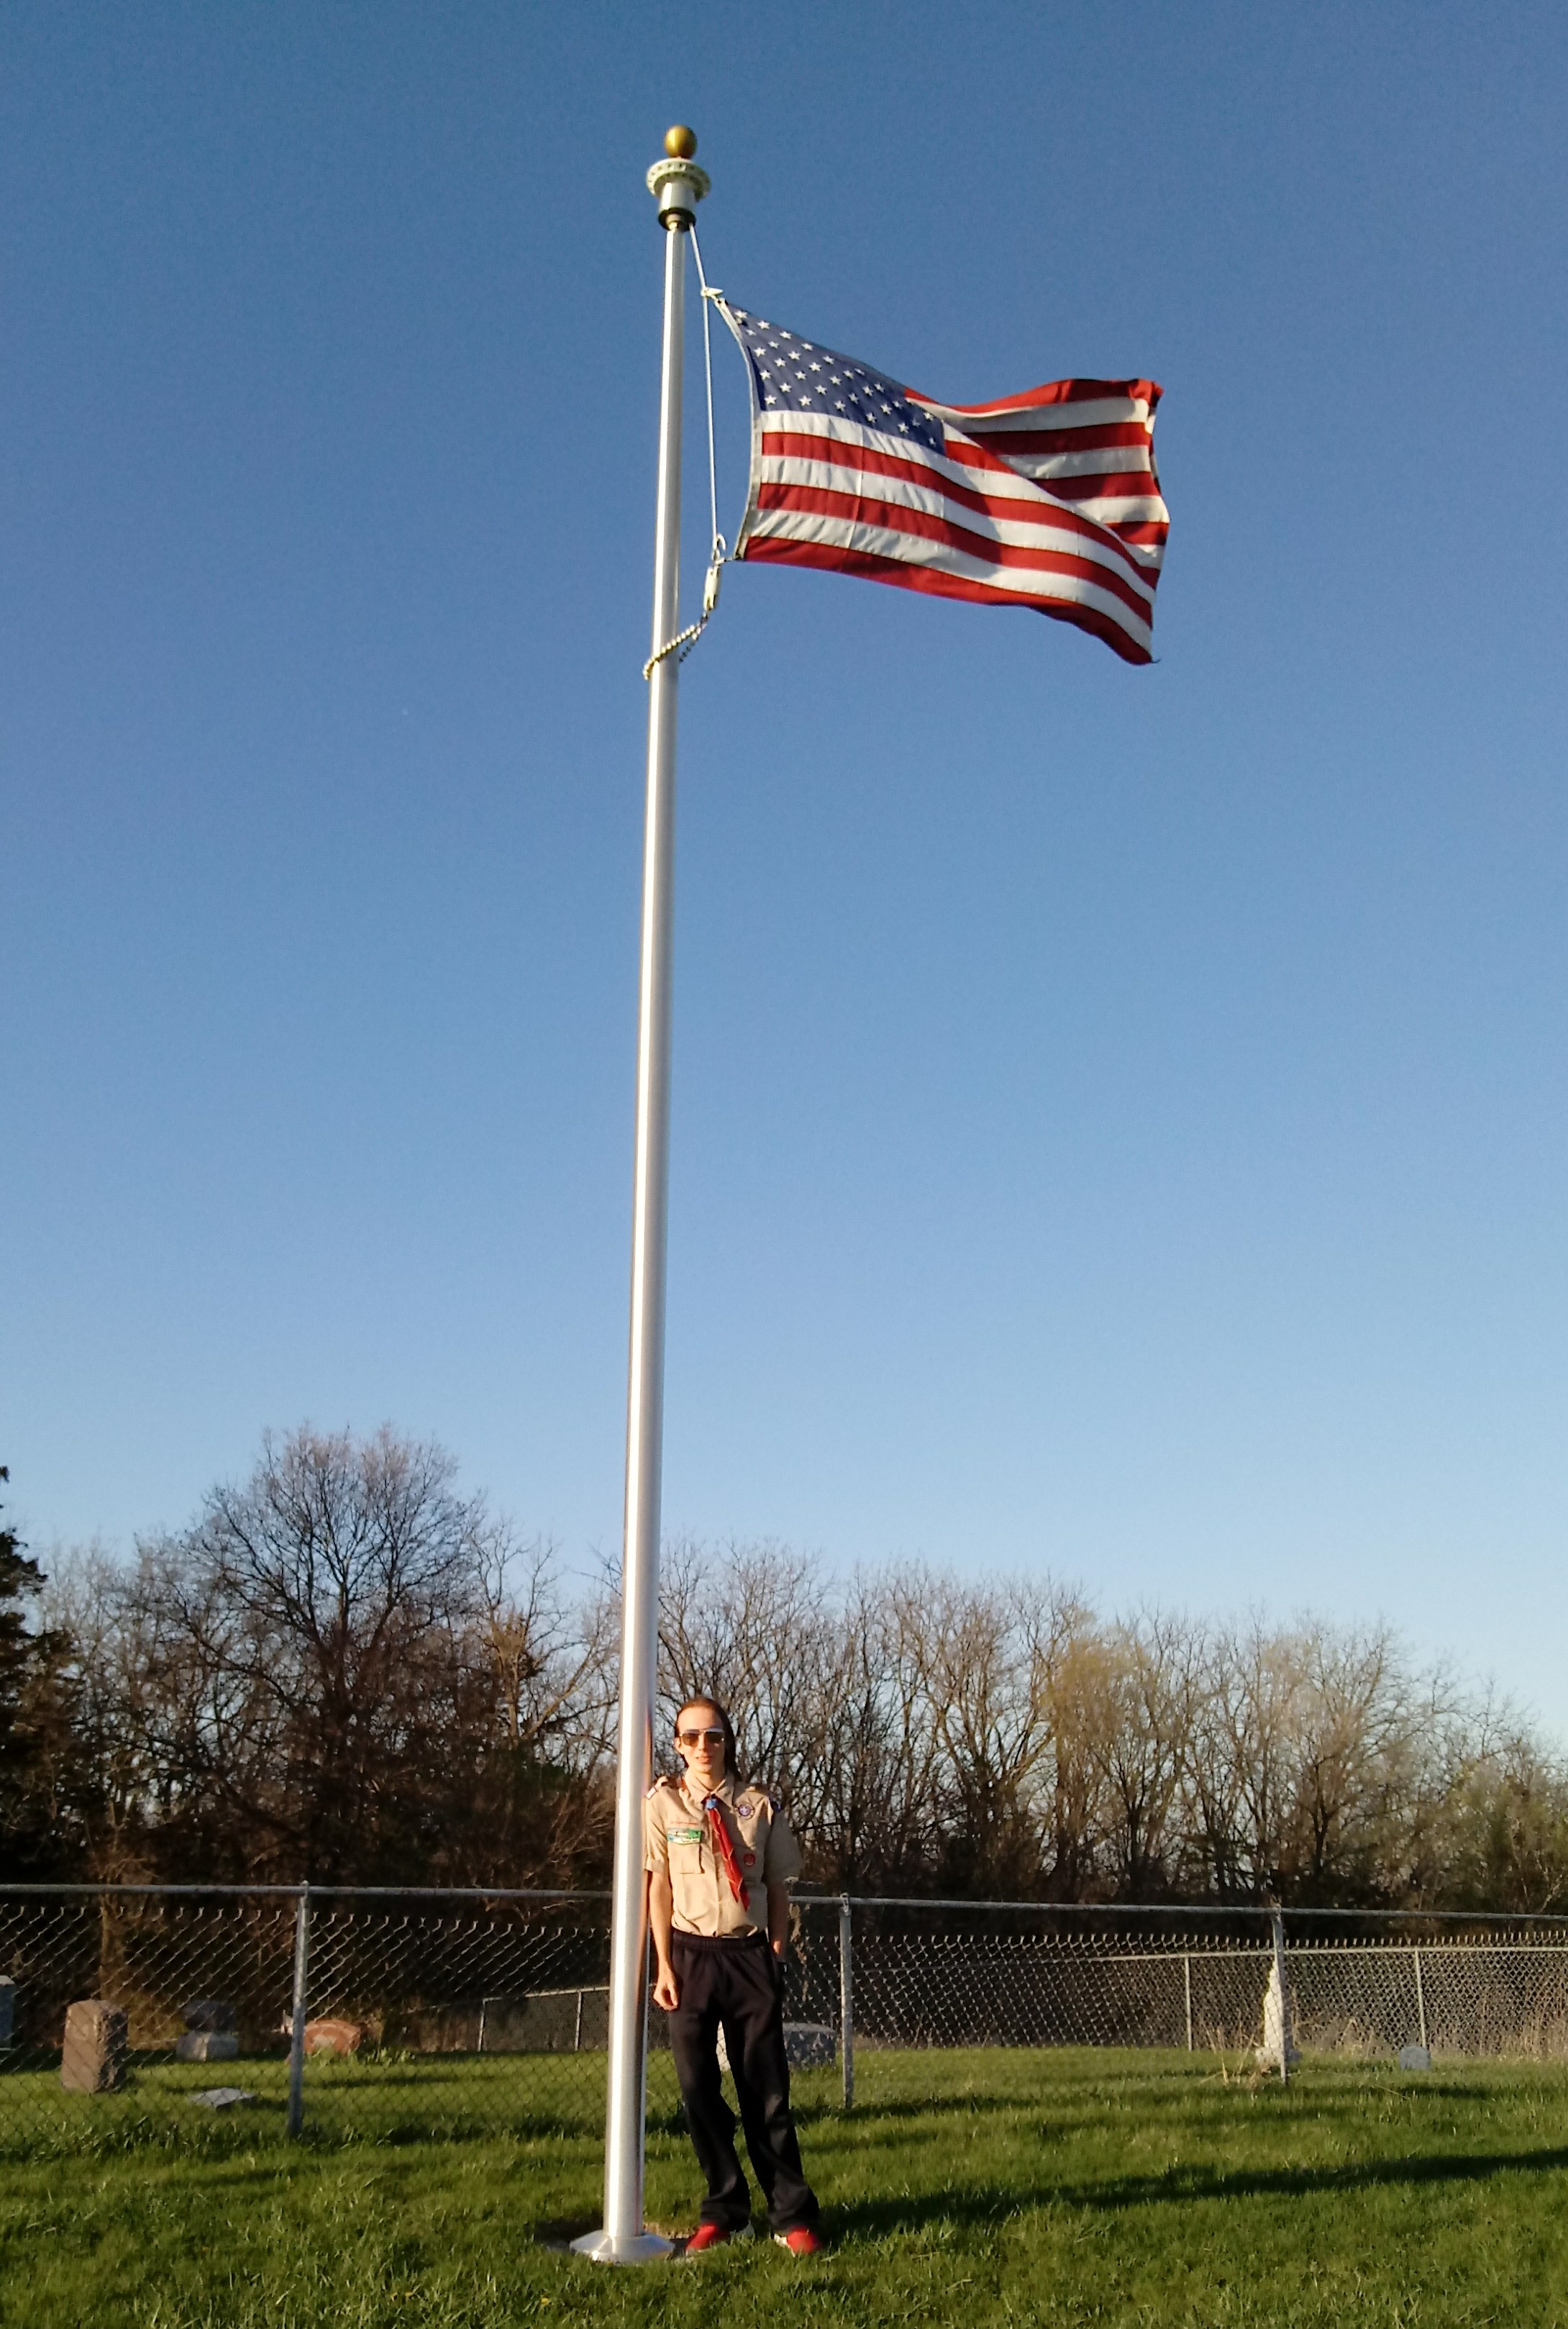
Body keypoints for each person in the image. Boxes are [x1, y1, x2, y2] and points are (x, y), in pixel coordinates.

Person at [644, 1694, 824, 2256]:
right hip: (691, 1957)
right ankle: (725, 2207)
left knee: (766, 2092)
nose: (703, 1746)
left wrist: (775, 1950)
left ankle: (790, 2214)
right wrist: (664, 1964)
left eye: (713, 1736)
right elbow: (660, 1886)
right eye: (691, 1737)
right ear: (677, 1744)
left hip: (748, 1956)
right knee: (699, 2091)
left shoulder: (757, 1804)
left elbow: (778, 1886)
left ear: (727, 1740)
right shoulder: (663, 1805)